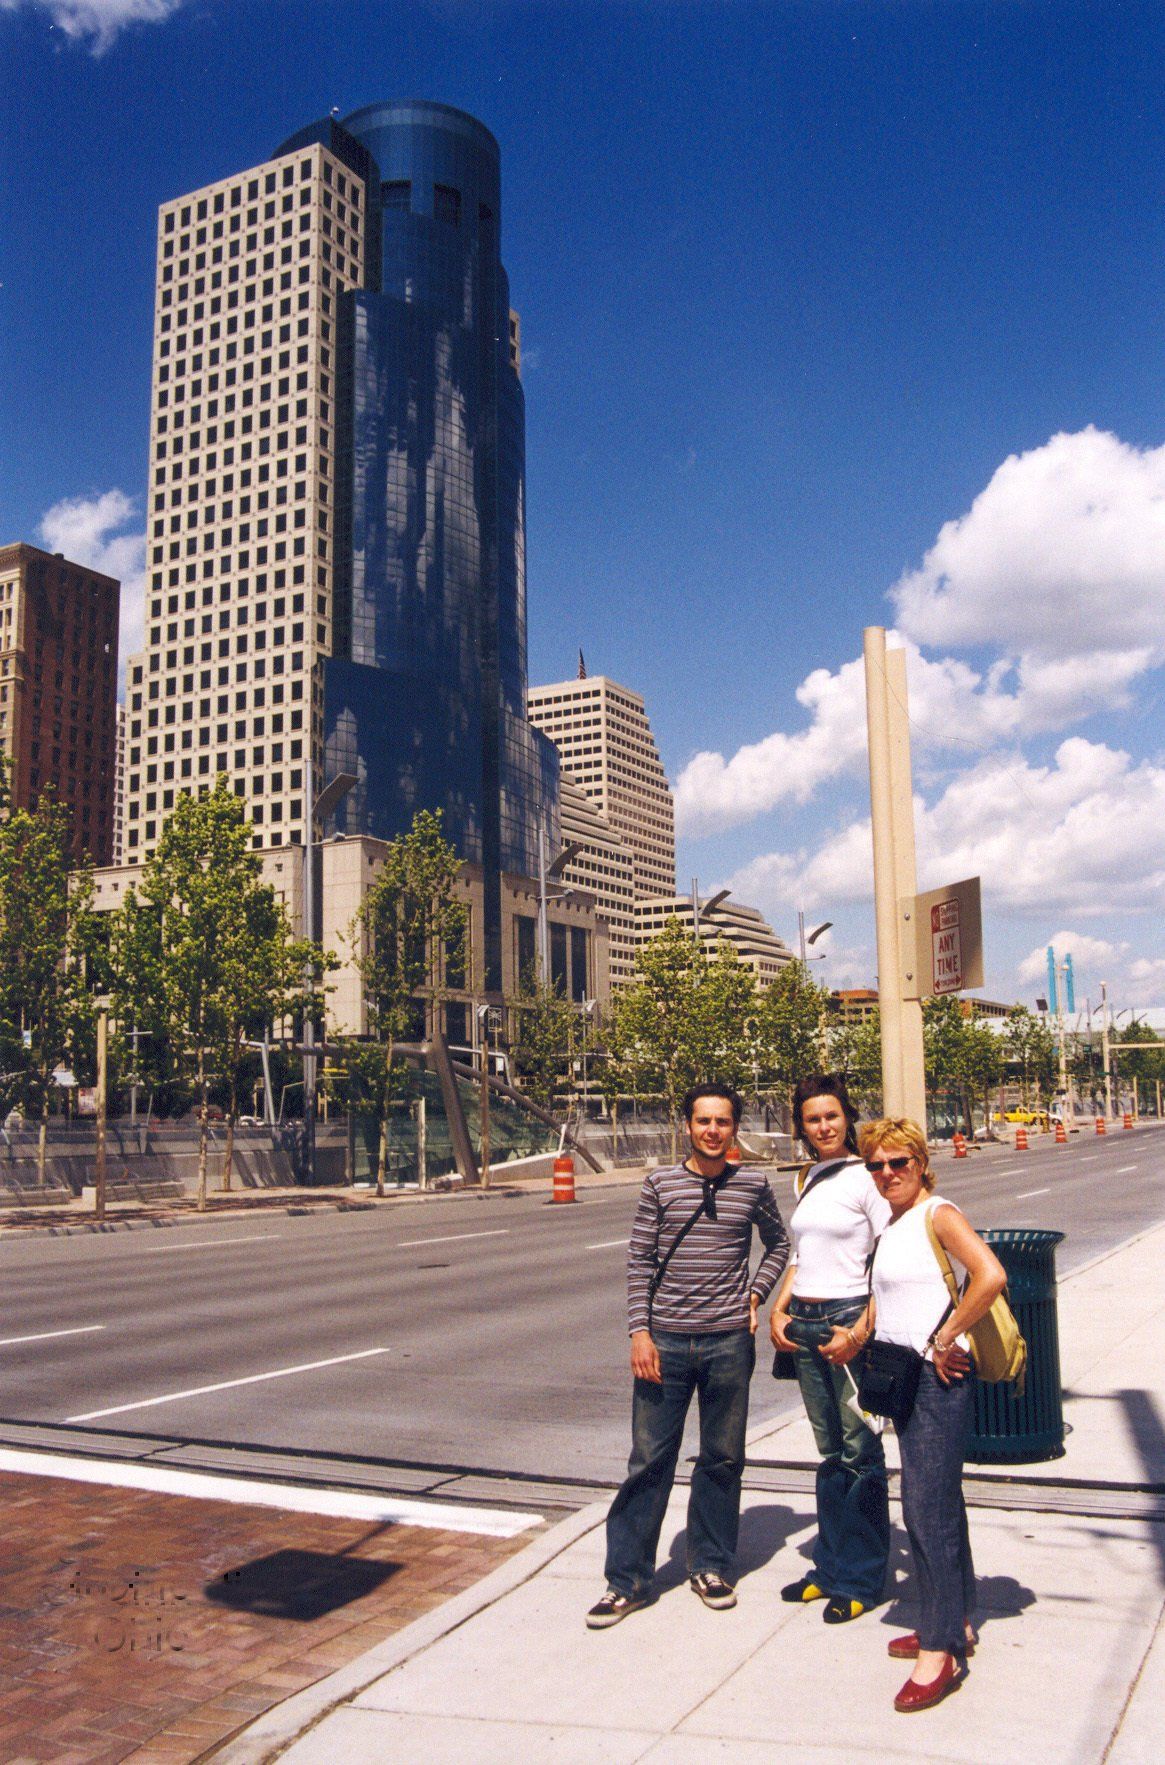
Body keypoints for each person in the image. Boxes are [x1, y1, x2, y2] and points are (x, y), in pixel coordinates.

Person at [586, 1083, 789, 1628]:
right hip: (666, 1343)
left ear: (734, 1127)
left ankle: (711, 1566)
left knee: (722, 1459)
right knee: (649, 1461)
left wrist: (755, 1295)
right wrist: (640, 1333)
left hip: (728, 1342)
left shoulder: (752, 1184)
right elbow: (639, 1261)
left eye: (723, 1121)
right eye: (704, 1121)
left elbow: (780, 1244)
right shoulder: (660, 1184)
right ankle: (626, 1580)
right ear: (688, 1126)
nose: (713, 1131)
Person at [846, 1117, 1007, 1713]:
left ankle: (939, 1652)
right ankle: (954, 1619)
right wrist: (854, 1335)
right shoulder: (893, 1223)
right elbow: (886, 1300)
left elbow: (990, 1275)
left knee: (924, 1508)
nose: (887, 1173)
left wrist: (945, 1337)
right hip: (905, 1377)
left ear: (921, 1164)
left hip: (938, 1381)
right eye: (876, 1165)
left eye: (899, 1162)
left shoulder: (938, 1213)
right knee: (940, 1504)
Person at [769, 1074, 891, 1624]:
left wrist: (860, 1331)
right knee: (830, 1452)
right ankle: (830, 1566)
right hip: (807, 1321)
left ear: (848, 1117)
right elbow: (802, 1254)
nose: (823, 1127)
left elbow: (888, 1257)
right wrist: (779, 1309)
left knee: (861, 1450)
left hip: (848, 1319)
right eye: (813, 1119)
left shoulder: (867, 1177)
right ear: (802, 1127)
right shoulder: (808, 1177)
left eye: (832, 1116)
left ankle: (862, 1577)